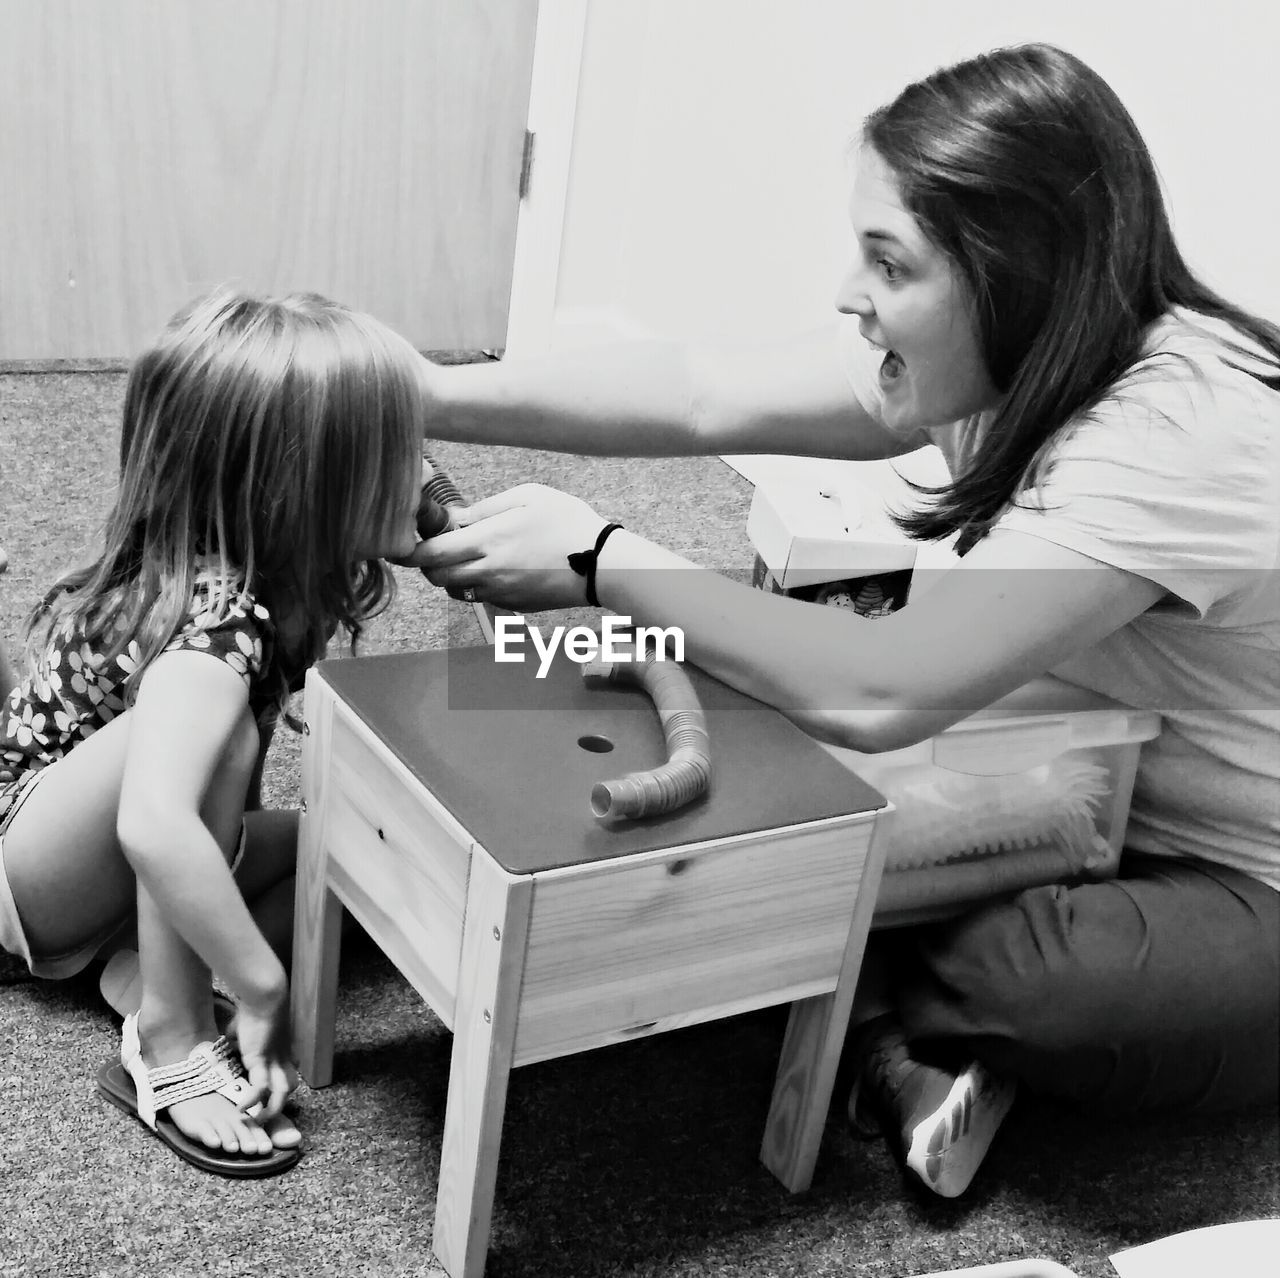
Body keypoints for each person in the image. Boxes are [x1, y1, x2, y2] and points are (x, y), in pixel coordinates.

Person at [403, 43, 1280, 1199]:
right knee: (759, 726)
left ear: (1013, 270)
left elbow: (882, 693)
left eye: (886, 260)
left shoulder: (1179, 427)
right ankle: (872, 992)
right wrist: (424, 388)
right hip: (1076, 768)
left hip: (1239, 870)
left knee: (1034, 985)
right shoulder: (993, 351)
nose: (845, 293)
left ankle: (872, 1001)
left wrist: (604, 561)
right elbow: (700, 392)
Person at [0, 288, 424, 1176]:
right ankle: (170, 1034)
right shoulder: (220, 616)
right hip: (23, 861)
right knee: (205, 761)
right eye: (394, 449)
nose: (423, 467)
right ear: (302, 487)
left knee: (337, 857)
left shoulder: (282, 569)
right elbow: (155, 823)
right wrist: (263, 989)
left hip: (87, 862)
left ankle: (125, 966)